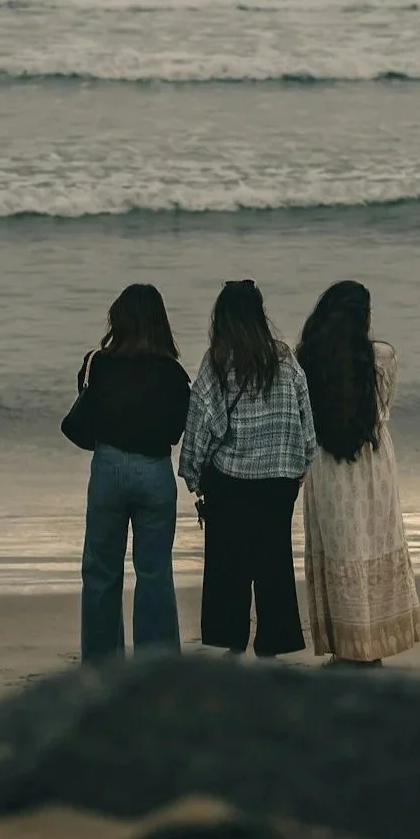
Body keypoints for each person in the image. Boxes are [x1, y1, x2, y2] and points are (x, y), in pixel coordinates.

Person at [178, 279, 317, 658]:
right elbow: (305, 415)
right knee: (274, 561)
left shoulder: (218, 361)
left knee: (228, 565)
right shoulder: (285, 359)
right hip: (279, 481)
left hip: (231, 481)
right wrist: (305, 461)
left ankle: (232, 642)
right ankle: (273, 642)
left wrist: (192, 474)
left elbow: (201, 421)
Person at [296, 280, 420, 666]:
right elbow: (383, 409)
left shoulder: (307, 357)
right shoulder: (381, 357)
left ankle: (343, 644)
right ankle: (372, 643)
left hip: (326, 465)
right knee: (372, 543)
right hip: (372, 460)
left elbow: (305, 416)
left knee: (338, 549)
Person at [68, 284, 191, 661]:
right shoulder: (173, 372)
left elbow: (87, 415)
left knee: (101, 570)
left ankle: (102, 664)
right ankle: (157, 666)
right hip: (154, 471)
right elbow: (175, 431)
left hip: (108, 468)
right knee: (154, 572)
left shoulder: (98, 363)